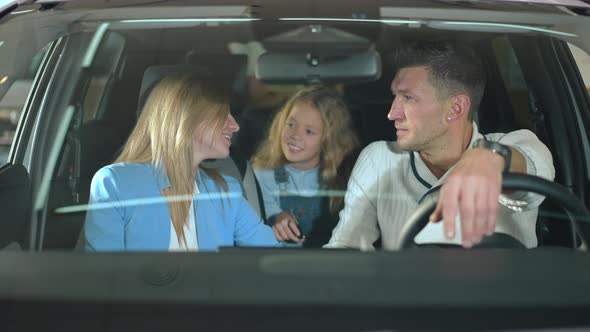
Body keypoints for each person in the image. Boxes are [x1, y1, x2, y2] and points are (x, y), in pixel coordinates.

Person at [325, 40, 555, 250]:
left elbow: (535, 163)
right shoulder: (379, 157)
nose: (391, 113)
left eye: (408, 98)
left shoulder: (512, 144)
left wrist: (490, 159)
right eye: (395, 96)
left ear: (454, 109)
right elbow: (346, 246)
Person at [84, 73, 280, 251]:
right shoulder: (116, 183)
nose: (235, 126)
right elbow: (106, 276)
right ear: (187, 119)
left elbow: (273, 254)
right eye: (223, 115)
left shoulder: (226, 191)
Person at [252, 85, 360, 247]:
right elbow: (260, 214)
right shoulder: (262, 175)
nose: (294, 135)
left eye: (309, 131)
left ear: (329, 140)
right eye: (291, 124)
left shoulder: (345, 180)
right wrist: (276, 218)